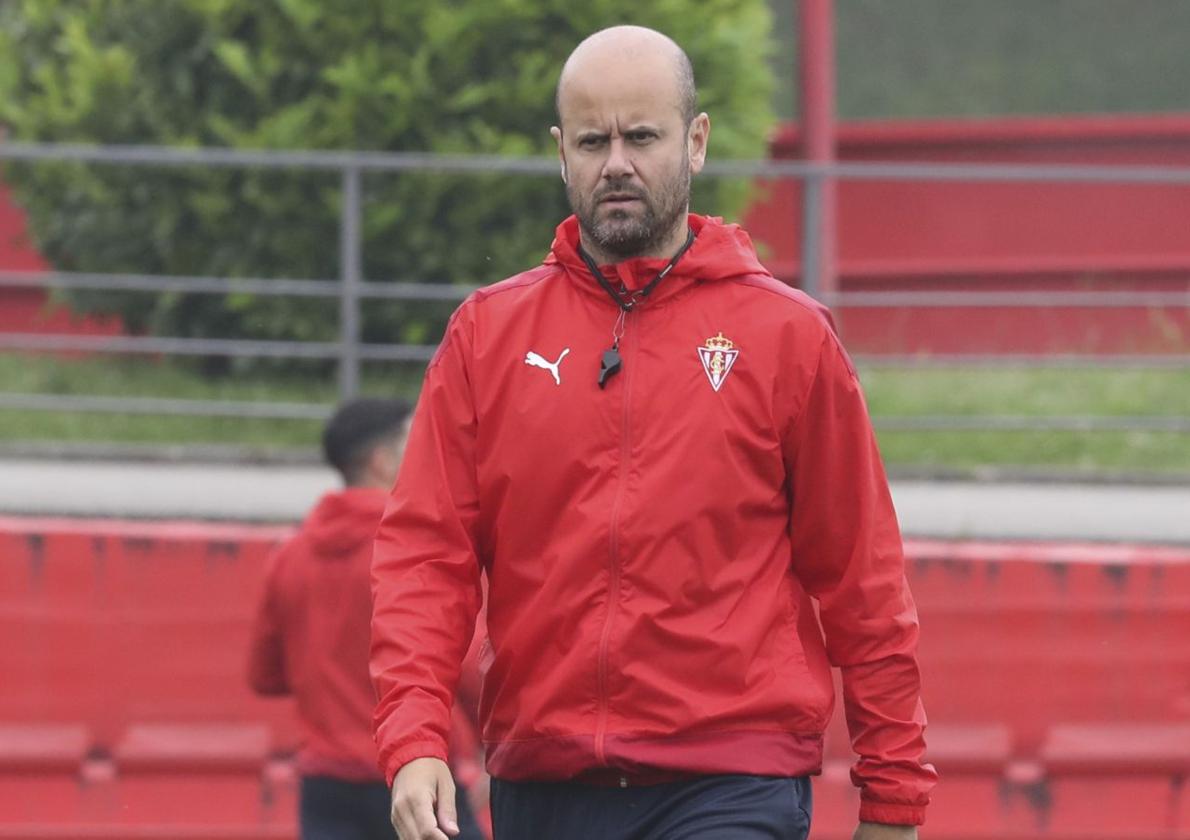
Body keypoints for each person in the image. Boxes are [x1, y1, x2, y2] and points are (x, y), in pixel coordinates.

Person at [371, 25, 937, 840]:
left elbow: (862, 579)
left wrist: (894, 795)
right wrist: (415, 738)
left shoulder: (789, 338)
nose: (617, 164)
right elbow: (427, 558)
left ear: (695, 141)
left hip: (732, 780)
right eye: (594, 141)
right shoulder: (486, 335)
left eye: (642, 136)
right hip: (543, 780)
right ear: (561, 153)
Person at [248, 398, 486, 840]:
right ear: (382, 461)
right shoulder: (409, 553)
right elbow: (466, 667)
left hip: (326, 784)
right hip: (412, 773)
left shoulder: (290, 556)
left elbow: (265, 675)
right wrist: (492, 750)